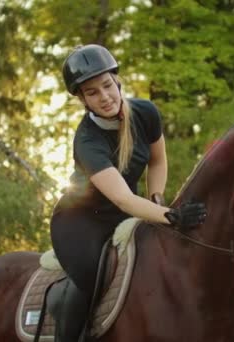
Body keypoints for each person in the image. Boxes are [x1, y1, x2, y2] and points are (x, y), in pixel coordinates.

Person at [50, 44, 207, 342]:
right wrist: (172, 216)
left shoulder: (146, 113)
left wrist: (158, 199)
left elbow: (158, 160)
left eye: (107, 85)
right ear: (82, 99)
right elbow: (122, 197)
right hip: (80, 222)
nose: (105, 96)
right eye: (92, 92)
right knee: (90, 278)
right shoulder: (87, 141)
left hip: (128, 211)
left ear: (117, 80)